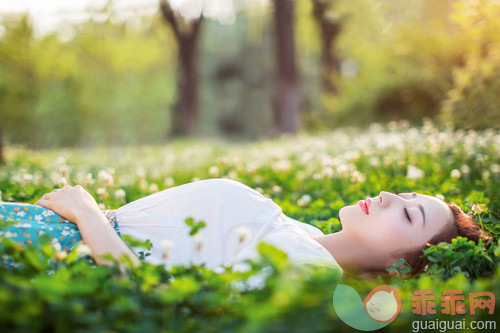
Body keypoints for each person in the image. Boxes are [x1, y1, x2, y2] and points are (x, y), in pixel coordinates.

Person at [0, 178, 492, 276]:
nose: (387, 197)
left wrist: (87, 213)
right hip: (37, 224)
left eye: (407, 213)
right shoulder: (299, 231)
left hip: (50, 252)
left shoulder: (306, 269)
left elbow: (146, 302)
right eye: (403, 196)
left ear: (402, 267)